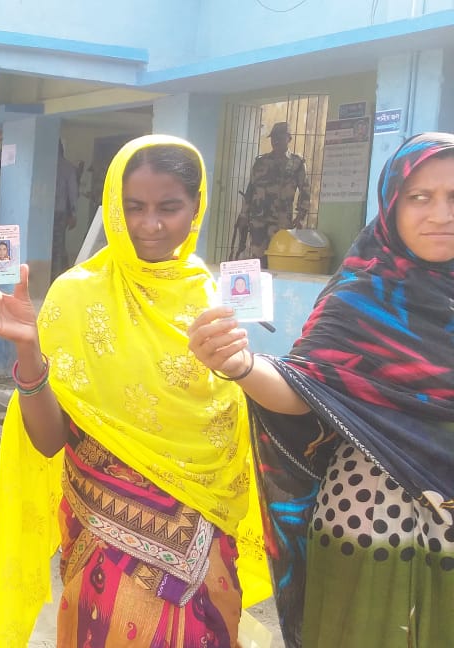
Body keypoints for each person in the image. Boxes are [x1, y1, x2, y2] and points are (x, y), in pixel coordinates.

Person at [0, 135, 270, 646]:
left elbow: (238, 430)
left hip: (207, 545)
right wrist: (28, 348)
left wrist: (244, 367)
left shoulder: (215, 303)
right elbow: (49, 442)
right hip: (103, 548)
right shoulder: (77, 295)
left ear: (197, 208)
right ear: (112, 205)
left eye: (169, 208)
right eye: (134, 208)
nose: (150, 225)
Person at [188, 131, 454, 648]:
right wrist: (242, 366)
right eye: (420, 197)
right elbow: (304, 391)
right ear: (392, 206)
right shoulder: (361, 298)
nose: (440, 213)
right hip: (372, 522)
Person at [241, 121, 312, 261]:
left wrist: (300, 216)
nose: (276, 140)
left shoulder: (297, 163)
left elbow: (305, 191)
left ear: (289, 138)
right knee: (257, 260)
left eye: (280, 137)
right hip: (258, 219)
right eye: (274, 137)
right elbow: (251, 189)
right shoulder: (261, 162)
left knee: (279, 258)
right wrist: (244, 214)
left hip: (281, 220)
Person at [53, 140, 79, 276]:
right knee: (58, 246)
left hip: (43, 212)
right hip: (60, 212)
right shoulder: (68, 168)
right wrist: (74, 214)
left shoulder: (45, 165)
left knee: (47, 246)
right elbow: (73, 193)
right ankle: (56, 275)